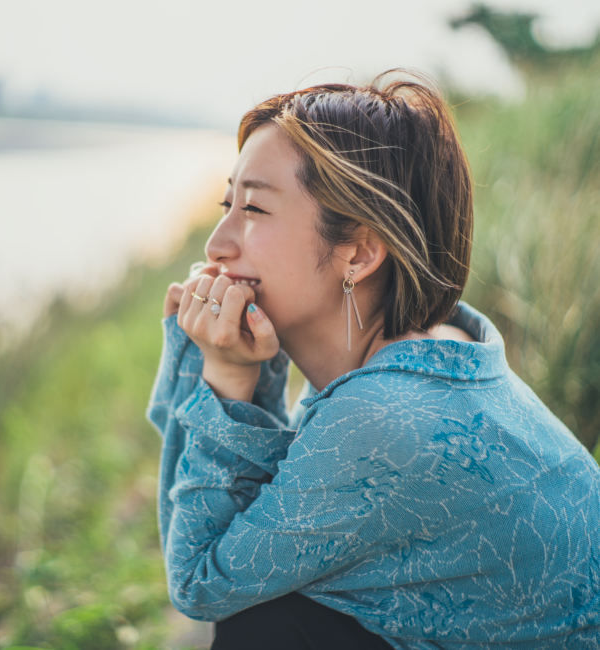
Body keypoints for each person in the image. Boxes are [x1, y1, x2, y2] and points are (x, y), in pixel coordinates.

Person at [146, 70, 600, 649]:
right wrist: (226, 369)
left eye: (254, 210)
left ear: (358, 252)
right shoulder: (435, 346)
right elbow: (254, 516)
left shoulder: (383, 414)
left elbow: (200, 581)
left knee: (261, 622)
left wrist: (228, 373)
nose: (216, 243)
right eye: (226, 202)